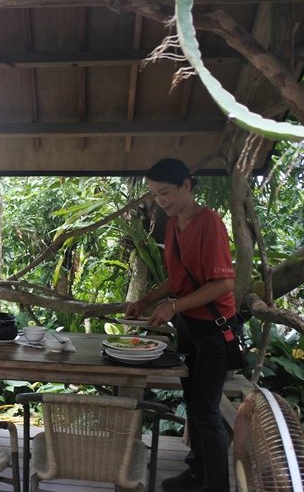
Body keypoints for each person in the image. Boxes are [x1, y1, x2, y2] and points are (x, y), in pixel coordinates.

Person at [125, 158, 236, 492]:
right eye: (155, 194)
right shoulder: (173, 225)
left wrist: (173, 306)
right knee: (193, 400)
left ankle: (216, 485)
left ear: (187, 185)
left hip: (215, 329)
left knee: (206, 408)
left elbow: (223, 286)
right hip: (190, 326)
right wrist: (147, 300)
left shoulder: (209, 222)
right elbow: (177, 279)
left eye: (166, 192)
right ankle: (195, 472)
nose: (161, 200)